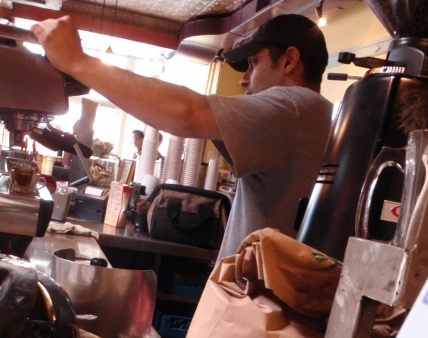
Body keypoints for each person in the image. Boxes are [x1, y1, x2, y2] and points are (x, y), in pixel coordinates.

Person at [33, 14, 333, 260]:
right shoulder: (306, 118)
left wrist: (77, 61)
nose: (244, 79)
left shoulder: (293, 107)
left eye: (253, 63)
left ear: (289, 60)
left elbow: (186, 112)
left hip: (255, 314)